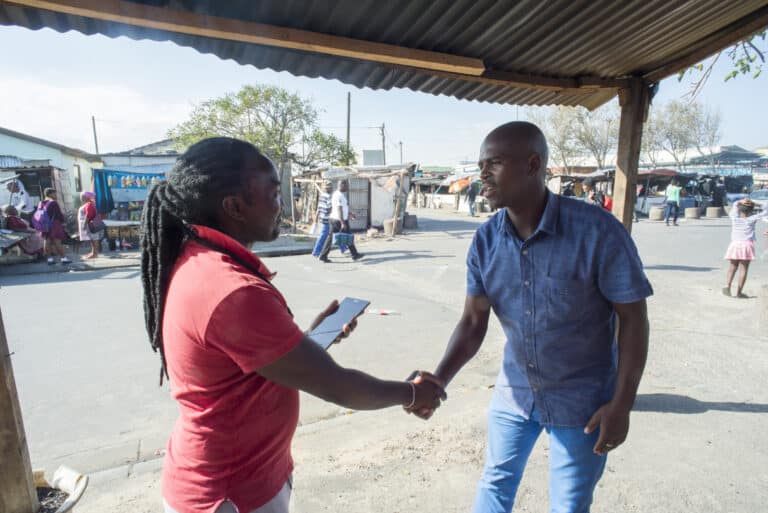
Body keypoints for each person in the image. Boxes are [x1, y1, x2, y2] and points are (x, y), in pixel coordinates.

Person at [139, 137, 445, 513]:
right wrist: (413, 395)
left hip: (239, 477)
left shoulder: (201, 262)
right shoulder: (230, 289)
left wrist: (308, 341)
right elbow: (340, 387)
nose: (281, 202)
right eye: (272, 192)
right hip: (230, 494)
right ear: (234, 207)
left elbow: (251, 363)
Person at [409, 122, 652, 513]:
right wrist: (439, 378)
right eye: (480, 164)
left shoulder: (597, 232)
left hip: (583, 402)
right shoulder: (486, 240)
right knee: (495, 482)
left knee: (569, 504)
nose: (482, 174)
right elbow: (474, 322)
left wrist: (622, 404)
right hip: (515, 392)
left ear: (533, 164)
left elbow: (634, 321)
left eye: (495, 163)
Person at [722, 198, 768, 298]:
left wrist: (741, 201)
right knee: (743, 269)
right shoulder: (752, 219)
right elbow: (766, 208)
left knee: (732, 267)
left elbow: (734, 204)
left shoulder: (734, 218)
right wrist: (754, 202)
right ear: (751, 210)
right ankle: (739, 292)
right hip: (747, 245)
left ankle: (727, 285)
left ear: (739, 209)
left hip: (735, 244)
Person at [318, 180, 364, 262]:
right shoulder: (338, 195)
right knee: (340, 237)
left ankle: (354, 254)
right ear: (342, 185)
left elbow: (343, 208)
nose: (347, 187)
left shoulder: (339, 195)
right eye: (346, 185)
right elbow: (339, 209)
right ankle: (354, 254)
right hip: (338, 220)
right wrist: (342, 222)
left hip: (338, 219)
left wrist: (350, 214)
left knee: (343, 236)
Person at [34, 188, 71, 265]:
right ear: (50, 194)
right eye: (54, 193)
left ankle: (49, 259)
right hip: (54, 224)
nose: (55, 195)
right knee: (57, 241)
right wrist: (63, 223)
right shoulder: (53, 203)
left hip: (44, 224)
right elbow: (58, 215)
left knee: (46, 241)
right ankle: (63, 258)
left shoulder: (41, 202)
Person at [77, 191, 103, 259]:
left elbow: (88, 215)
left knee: (94, 239)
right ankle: (93, 252)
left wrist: (84, 224)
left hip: (91, 225)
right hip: (90, 225)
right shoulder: (89, 204)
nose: (81, 198)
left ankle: (95, 254)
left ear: (86, 197)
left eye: (82, 196)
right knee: (92, 239)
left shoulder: (89, 204)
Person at [311, 181, 333, 258]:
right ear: (328, 188)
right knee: (324, 235)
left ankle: (343, 247)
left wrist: (316, 218)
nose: (332, 189)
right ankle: (316, 251)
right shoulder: (328, 196)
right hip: (327, 218)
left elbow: (319, 208)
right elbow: (330, 208)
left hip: (322, 217)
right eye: (330, 187)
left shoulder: (322, 195)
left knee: (331, 233)